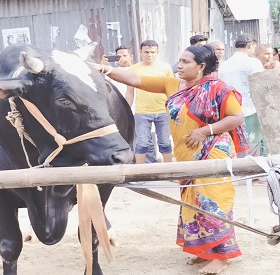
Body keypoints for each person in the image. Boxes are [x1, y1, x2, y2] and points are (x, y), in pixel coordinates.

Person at [94, 44, 249, 275]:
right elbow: (135, 79)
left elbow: (236, 117)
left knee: (214, 202)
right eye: (180, 60)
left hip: (212, 152)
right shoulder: (172, 84)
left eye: (186, 62)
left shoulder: (218, 88)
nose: (180, 65)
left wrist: (204, 131)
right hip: (185, 154)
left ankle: (221, 256)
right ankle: (204, 250)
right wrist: (102, 70)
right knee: (193, 202)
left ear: (201, 66)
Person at [101, 46, 159, 163]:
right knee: (127, 140)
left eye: (124, 55)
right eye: (119, 56)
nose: (121, 58)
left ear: (131, 56)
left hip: (140, 110)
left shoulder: (138, 70)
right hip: (122, 112)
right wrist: (102, 67)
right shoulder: (112, 72)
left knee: (146, 140)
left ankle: (150, 166)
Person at [126, 40, 173, 164]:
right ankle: (140, 172)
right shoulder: (133, 69)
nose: (149, 55)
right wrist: (126, 110)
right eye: (146, 52)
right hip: (142, 111)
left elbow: (172, 89)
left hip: (163, 111)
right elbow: (130, 92)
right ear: (140, 52)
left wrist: (174, 108)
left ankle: (170, 170)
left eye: (152, 52)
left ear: (157, 52)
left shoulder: (165, 67)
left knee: (165, 142)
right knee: (142, 142)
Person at [219, 33, 266, 157]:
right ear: (250, 45)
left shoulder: (224, 65)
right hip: (250, 109)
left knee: (235, 145)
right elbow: (260, 86)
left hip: (230, 112)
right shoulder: (253, 62)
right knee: (252, 145)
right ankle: (253, 174)